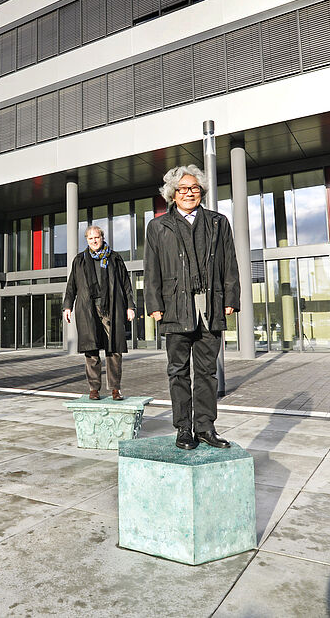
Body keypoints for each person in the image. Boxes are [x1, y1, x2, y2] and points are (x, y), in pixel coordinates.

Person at [145, 165, 240, 450]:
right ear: (172, 194)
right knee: (178, 372)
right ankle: (183, 428)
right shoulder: (158, 226)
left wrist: (231, 298)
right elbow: (152, 269)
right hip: (175, 306)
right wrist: (154, 303)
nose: (189, 193)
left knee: (207, 372)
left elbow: (229, 263)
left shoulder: (218, 222)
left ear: (202, 192)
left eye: (194, 188)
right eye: (183, 189)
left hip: (210, 305)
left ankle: (206, 428)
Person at [63, 225, 136, 400]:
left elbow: (126, 284)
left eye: (97, 237)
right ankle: (94, 388)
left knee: (114, 349)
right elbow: (71, 285)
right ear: (87, 240)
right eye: (90, 238)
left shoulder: (115, 258)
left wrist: (130, 306)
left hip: (111, 307)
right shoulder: (80, 260)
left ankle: (115, 389)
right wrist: (67, 306)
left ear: (102, 238)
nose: (94, 241)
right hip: (88, 308)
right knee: (91, 349)